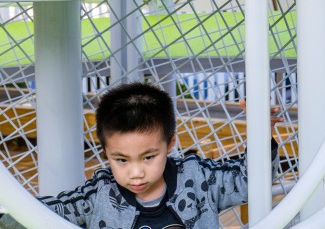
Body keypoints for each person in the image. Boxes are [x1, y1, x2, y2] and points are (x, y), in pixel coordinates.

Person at [0, 82, 280, 228]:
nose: (135, 172)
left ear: (170, 144)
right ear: (105, 152)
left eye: (148, 157)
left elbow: (249, 181)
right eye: (121, 160)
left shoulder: (198, 179)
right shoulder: (100, 194)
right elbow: (41, 213)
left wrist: (261, 132)